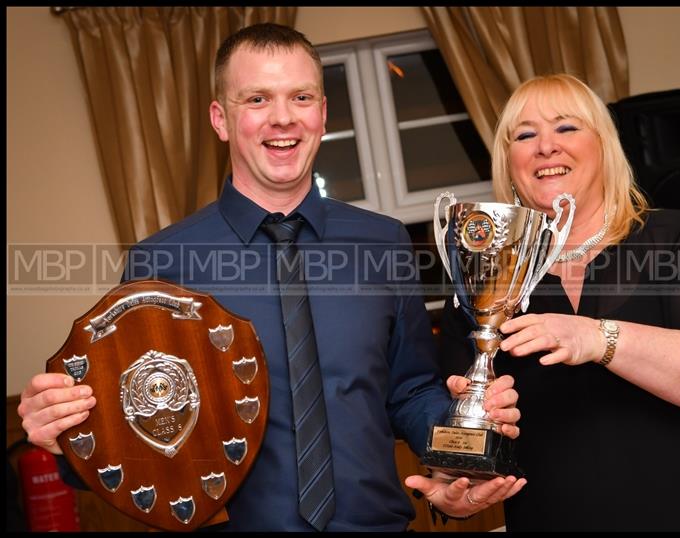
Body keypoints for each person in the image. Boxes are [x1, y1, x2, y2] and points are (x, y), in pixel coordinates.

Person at [16, 23, 527, 531]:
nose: (283, 118)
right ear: (220, 119)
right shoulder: (161, 263)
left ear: (322, 114)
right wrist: (59, 435)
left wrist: (460, 451)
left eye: (300, 97)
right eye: (257, 99)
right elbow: (130, 437)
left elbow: (410, 391)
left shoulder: (384, 243)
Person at [437, 74, 680, 531]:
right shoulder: (484, 274)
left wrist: (596, 337)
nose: (546, 147)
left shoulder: (672, 238)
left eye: (566, 127)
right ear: (509, 161)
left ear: (603, 146)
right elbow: (458, 424)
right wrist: (453, 490)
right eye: (525, 134)